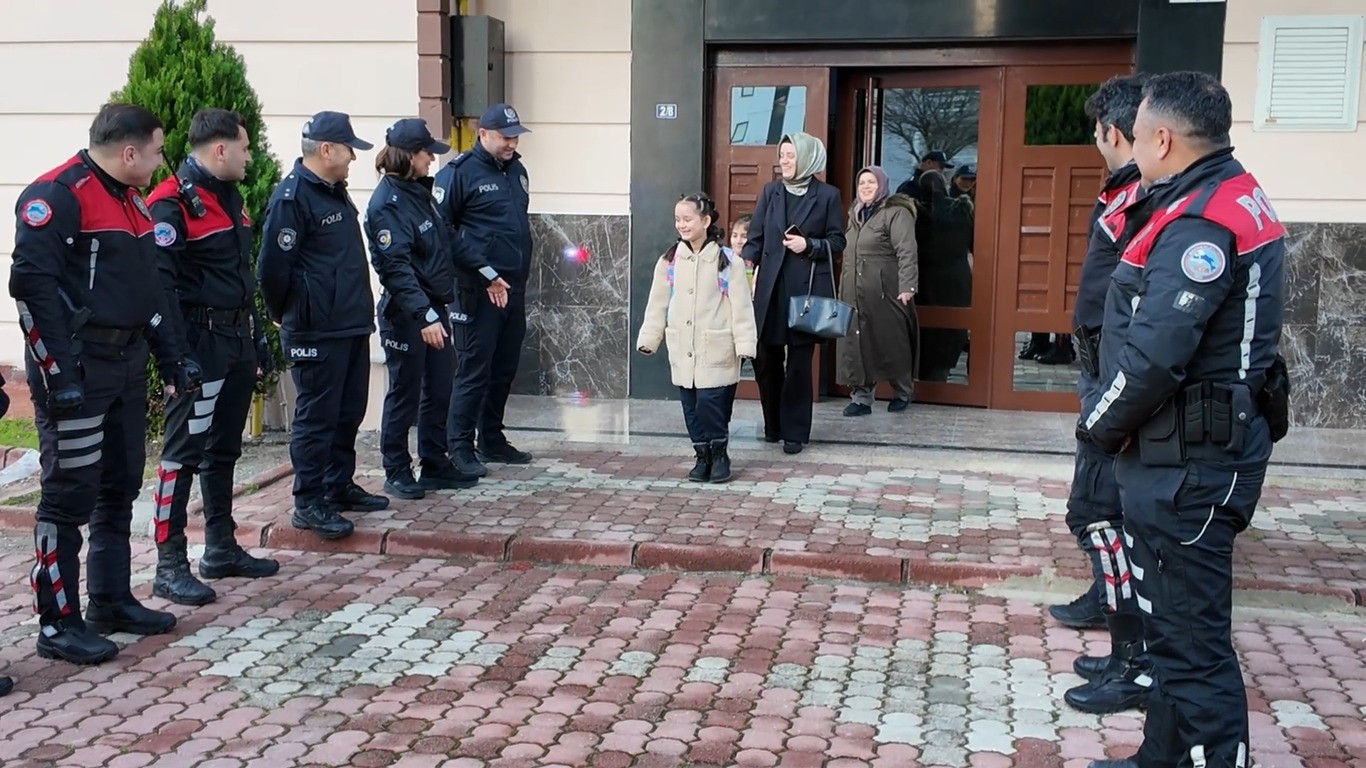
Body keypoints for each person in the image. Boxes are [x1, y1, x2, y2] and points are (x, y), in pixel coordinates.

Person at [1080, 71, 1288, 768]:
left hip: (1189, 463)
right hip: (1185, 453)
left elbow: (1156, 356)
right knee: (1173, 631)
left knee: (1193, 645)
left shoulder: (1202, 221)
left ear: (1163, 139)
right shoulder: (1217, 192)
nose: (1131, 149)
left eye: (1136, 137)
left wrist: (1097, 429)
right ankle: (1158, 757)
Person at [10, 103, 201, 665]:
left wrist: (174, 358)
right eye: (160, 148)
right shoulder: (58, 196)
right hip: (79, 369)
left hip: (126, 362)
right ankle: (57, 622)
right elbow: (31, 290)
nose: (164, 159)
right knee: (68, 496)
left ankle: (111, 600)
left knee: (118, 486)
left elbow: (153, 291)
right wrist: (58, 375)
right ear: (129, 152)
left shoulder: (133, 198)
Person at [146, 108, 280, 607]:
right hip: (198, 345)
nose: (250, 156)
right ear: (220, 149)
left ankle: (221, 548)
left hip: (237, 340)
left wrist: (259, 339)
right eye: (244, 148)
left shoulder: (231, 199)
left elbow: (241, 277)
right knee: (182, 455)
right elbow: (160, 287)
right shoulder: (171, 205)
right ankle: (169, 564)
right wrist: (176, 357)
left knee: (224, 449)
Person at [1049, 75, 1152, 716]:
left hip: (1122, 379)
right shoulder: (1123, 191)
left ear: (1114, 133)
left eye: (1098, 130)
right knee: (1097, 509)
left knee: (1100, 511)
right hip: (1105, 368)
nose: (1096, 139)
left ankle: (1133, 659)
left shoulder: (1147, 197)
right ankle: (1109, 610)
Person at [258, 111, 386, 541]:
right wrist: (287, 314)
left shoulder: (333, 192)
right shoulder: (293, 199)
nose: (353, 157)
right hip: (316, 329)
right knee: (316, 417)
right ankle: (308, 502)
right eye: (349, 149)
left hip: (348, 324)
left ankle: (338, 484)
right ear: (326, 149)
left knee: (347, 411)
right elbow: (272, 270)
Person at [366, 118, 476, 499]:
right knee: (405, 391)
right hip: (406, 313)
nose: (432, 159)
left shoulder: (418, 192)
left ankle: (434, 461)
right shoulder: (387, 204)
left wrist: (488, 272)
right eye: (427, 153)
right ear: (409, 156)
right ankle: (396, 469)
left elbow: (448, 240)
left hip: (432, 307)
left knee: (440, 386)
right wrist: (424, 315)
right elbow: (396, 270)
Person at [433, 102, 535, 481]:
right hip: (477, 290)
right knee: (474, 369)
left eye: (516, 136)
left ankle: (490, 437)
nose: (512, 143)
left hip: (513, 288)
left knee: (504, 367)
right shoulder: (458, 174)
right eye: (506, 137)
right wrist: (483, 272)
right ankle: (458, 445)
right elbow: (444, 233)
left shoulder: (517, 170)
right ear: (483, 134)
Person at [636, 193, 757, 483]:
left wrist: (745, 344)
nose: (682, 225)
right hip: (683, 349)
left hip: (715, 349)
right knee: (690, 407)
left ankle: (719, 453)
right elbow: (657, 304)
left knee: (711, 404)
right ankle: (702, 455)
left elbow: (741, 307)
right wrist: (650, 337)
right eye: (678, 219)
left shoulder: (728, 261)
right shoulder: (669, 261)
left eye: (688, 219)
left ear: (705, 221)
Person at [740, 132, 845, 455]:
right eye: (782, 155)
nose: (783, 161)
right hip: (771, 290)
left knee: (799, 365)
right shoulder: (771, 192)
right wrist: (743, 263)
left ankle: (795, 433)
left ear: (807, 158)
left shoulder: (828, 195)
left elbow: (838, 242)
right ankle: (774, 424)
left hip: (806, 292)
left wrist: (809, 245)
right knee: (767, 361)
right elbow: (756, 237)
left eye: (790, 155)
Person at [835, 165, 919, 415]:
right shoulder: (856, 214)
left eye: (871, 182)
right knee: (857, 343)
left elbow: (907, 250)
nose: (866, 187)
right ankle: (861, 397)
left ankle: (902, 391)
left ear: (882, 184)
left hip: (885, 291)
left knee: (892, 341)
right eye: (862, 183)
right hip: (853, 291)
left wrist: (907, 285)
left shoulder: (896, 213)